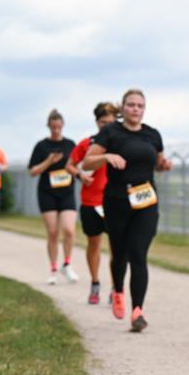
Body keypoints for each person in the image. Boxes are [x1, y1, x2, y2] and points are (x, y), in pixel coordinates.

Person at [82, 89, 172, 331]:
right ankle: (118, 290)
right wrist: (107, 156)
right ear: (123, 109)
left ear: (144, 109)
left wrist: (164, 166)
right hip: (117, 200)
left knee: (138, 254)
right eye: (130, 105)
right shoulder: (111, 132)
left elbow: (158, 163)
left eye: (139, 105)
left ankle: (137, 311)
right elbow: (87, 162)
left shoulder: (152, 135)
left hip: (146, 200)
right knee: (119, 253)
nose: (135, 109)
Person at [66, 102, 117, 303]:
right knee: (93, 243)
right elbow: (69, 165)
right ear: (97, 122)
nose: (106, 126)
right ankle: (95, 283)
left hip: (114, 201)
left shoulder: (120, 142)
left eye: (110, 123)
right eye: (103, 122)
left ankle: (116, 288)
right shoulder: (86, 144)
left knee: (116, 247)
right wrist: (80, 175)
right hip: (91, 201)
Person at [28, 109, 78, 284]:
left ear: (62, 126)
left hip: (67, 192)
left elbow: (78, 165)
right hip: (47, 192)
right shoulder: (41, 146)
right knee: (53, 232)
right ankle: (53, 269)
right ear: (49, 126)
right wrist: (49, 161)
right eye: (53, 127)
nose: (56, 130)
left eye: (58, 127)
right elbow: (32, 171)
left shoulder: (70, 144)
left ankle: (67, 264)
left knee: (69, 230)